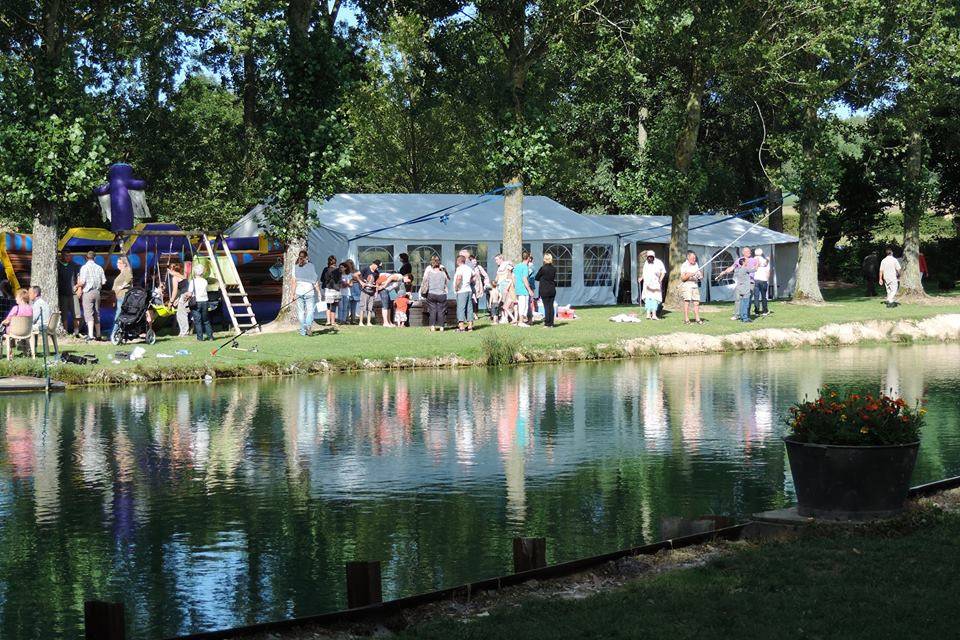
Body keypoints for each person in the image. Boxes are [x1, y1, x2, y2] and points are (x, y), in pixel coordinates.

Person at [717, 247, 757, 319]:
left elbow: (756, 267)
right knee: (738, 298)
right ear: (743, 252)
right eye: (747, 251)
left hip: (750, 282)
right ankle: (736, 315)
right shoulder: (739, 260)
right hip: (741, 283)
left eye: (750, 251)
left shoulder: (753, 260)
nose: (749, 252)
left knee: (748, 299)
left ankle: (746, 315)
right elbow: (732, 268)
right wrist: (724, 272)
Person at [291, 251, 321, 336]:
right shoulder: (311, 266)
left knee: (301, 311)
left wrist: (292, 294)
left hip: (299, 291)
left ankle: (303, 330)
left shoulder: (295, 267)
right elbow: (315, 281)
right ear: (307, 257)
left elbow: (293, 282)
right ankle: (308, 325)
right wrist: (318, 292)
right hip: (309, 291)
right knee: (310, 311)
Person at [78, 251, 106, 341]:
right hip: (97, 292)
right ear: (95, 258)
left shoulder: (84, 268)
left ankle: (90, 334)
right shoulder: (99, 268)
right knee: (97, 313)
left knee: (88, 313)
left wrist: (77, 285)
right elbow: (104, 281)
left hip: (88, 292)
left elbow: (82, 282)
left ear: (86, 258)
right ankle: (98, 334)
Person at [185, 263, 214, 341]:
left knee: (198, 321)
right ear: (202, 272)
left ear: (195, 272)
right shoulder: (205, 281)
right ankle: (210, 336)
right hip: (205, 301)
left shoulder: (193, 281)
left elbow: (190, 293)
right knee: (206, 320)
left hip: (196, 302)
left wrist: (185, 295)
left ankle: (200, 338)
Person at [420, 255, 449, 331]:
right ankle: (442, 327)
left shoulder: (429, 272)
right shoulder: (443, 272)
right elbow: (447, 281)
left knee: (432, 310)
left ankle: (432, 326)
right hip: (442, 294)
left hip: (431, 294)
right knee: (441, 311)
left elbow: (425, 282)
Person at [57, 250, 82, 336]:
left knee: (76, 313)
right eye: (66, 256)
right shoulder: (58, 265)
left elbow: (78, 277)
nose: (68, 257)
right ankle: (66, 332)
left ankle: (76, 332)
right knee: (64, 315)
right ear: (62, 256)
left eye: (69, 256)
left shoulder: (74, 265)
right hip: (62, 293)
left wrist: (79, 288)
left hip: (73, 293)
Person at [639, 250, 666, 320]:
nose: (649, 258)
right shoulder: (646, 263)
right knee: (648, 298)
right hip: (647, 284)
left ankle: (654, 315)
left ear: (653, 256)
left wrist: (660, 280)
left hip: (655, 284)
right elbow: (644, 272)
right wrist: (641, 278)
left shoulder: (659, 262)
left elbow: (663, 272)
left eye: (651, 257)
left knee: (654, 299)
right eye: (648, 257)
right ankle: (648, 314)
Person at [679, 251, 703, 325]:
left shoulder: (696, 264)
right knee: (687, 302)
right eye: (693, 258)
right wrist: (689, 274)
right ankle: (686, 319)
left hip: (695, 285)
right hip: (687, 285)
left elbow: (700, 276)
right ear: (688, 258)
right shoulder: (684, 265)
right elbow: (683, 278)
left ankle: (697, 319)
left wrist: (700, 275)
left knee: (696, 302)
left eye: (695, 258)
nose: (694, 259)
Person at [167, 263, 191, 337]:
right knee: (180, 314)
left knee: (181, 314)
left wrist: (171, 301)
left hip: (184, 296)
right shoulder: (182, 276)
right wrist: (177, 299)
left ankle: (184, 332)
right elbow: (183, 289)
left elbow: (175, 291)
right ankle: (183, 331)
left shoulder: (175, 277)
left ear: (172, 269)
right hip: (187, 294)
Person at [535, 252, 557, 328]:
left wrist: (542, 277)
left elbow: (536, 277)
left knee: (546, 307)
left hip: (544, 289)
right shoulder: (554, 268)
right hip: (552, 289)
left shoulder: (543, 268)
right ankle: (551, 323)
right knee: (551, 306)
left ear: (544, 259)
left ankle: (547, 323)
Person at [454, 254, 475, 332]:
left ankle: (461, 326)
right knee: (469, 308)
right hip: (469, 289)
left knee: (461, 308)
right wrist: (469, 281)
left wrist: (456, 286)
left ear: (458, 261)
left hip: (462, 290)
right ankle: (470, 326)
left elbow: (459, 278)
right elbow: (474, 275)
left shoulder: (460, 268)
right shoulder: (468, 268)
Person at [357, 259, 380, 327]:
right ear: (374, 264)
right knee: (363, 307)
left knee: (370, 308)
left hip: (372, 292)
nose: (377, 268)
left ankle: (368, 322)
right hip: (364, 291)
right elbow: (356, 275)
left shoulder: (376, 273)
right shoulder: (366, 269)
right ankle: (361, 322)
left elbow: (376, 283)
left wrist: (376, 292)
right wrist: (361, 282)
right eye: (377, 266)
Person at [319, 255, 341, 327]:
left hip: (327, 289)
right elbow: (339, 280)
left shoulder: (326, 269)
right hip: (336, 289)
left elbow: (322, 279)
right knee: (334, 306)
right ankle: (333, 322)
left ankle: (328, 321)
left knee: (328, 306)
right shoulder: (338, 270)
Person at [513, 252, 531, 327]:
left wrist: (515, 285)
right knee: (523, 305)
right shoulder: (525, 267)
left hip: (518, 288)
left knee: (521, 305)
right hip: (523, 289)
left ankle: (521, 320)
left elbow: (513, 276)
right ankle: (521, 321)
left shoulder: (517, 266)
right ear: (528, 258)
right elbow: (524, 279)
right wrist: (529, 289)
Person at [732, 257, 753, 322]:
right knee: (745, 304)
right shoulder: (745, 269)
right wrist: (757, 262)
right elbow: (754, 270)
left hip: (740, 288)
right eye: (746, 261)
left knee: (742, 303)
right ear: (743, 262)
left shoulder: (738, 269)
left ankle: (742, 316)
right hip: (745, 289)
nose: (747, 262)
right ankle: (745, 318)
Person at [753, 248, 771, 317]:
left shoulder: (753, 260)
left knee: (756, 296)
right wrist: (767, 279)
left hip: (755, 280)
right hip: (763, 280)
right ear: (761, 253)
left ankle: (756, 311)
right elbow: (768, 271)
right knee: (764, 296)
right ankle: (764, 311)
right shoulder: (765, 260)